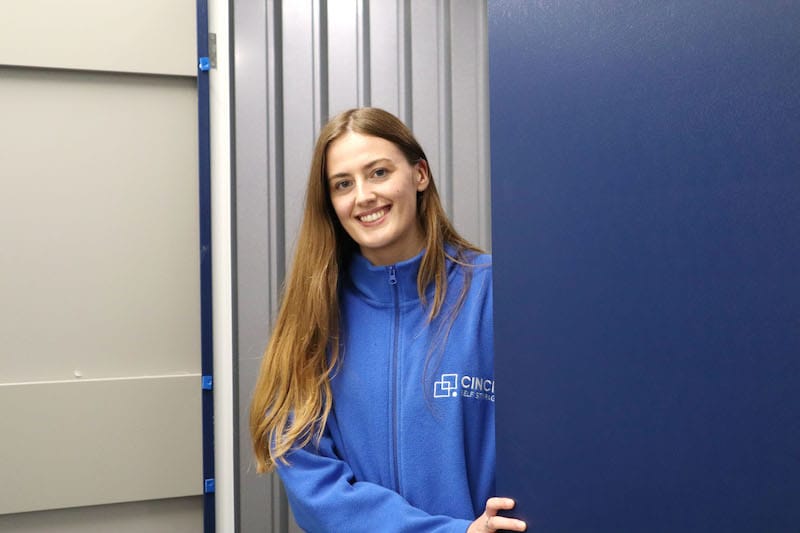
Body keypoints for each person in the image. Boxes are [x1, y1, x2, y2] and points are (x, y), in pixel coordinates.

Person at [249, 107, 526, 533]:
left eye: (378, 173)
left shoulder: (496, 295)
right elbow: (311, 482)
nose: (363, 196)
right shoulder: (314, 320)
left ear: (419, 175)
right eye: (343, 184)